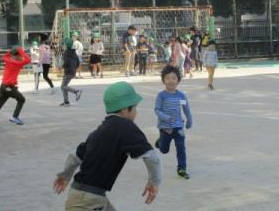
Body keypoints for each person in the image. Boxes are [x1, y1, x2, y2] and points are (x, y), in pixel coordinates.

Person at [53, 81, 161, 210]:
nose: (136, 112)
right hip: (87, 202)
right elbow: (151, 156)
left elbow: (75, 157)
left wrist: (65, 175)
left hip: (86, 196)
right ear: (125, 109)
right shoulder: (127, 127)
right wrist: (154, 182)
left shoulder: (98, 131)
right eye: (135, 107)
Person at [154, 65, 193, 179]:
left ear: (178, 80)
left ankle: (182, 168)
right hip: (165, 127)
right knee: (164, 150)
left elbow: (186, 109)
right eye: (167, 78)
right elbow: (157, 110)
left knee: (181, 148)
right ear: (163, 80)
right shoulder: (161, 95)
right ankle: (160, 142)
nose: (171, 81)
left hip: (178, 126)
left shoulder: (181, 95)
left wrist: (189, 120)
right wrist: (166, 117)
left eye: (174, 78)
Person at [0, 46, 31, 132]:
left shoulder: (8, 60)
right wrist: (20, 51)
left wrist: (14, 51)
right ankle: (14, 117)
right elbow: (28, 60)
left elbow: (6, 55)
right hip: (9, 87)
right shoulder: (17, 63)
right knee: (21, 99)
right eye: (20, 56)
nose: (21, 57)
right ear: (17, 55)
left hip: (3, 87)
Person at [60, 37, 83, 107]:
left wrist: (62, 67)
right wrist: (74, 68)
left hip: (68, 72)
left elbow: (66, 62)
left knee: (63, 86)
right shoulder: (74, 52)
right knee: (64, 86)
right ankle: (66, 102)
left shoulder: (66, 53)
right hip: (73, 71)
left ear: (66, 45)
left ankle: (76, 91)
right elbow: (78, 62)